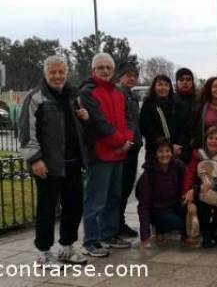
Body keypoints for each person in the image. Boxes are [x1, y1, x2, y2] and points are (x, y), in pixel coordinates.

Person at [19, 55, 89, 266]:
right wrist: (35, 160)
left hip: (73, 163)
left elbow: (78, 130)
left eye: (61, 72)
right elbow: (26, 133)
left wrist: (84, 118)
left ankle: (67, 248)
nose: (58, 76)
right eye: (53, 73)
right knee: (47, 210)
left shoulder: (73, 95)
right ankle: (43, 252)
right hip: (47, 165)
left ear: (66, 73)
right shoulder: (35, 97)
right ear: (45, 74)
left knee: (74, 206)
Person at [80, 53, 134, 257]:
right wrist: (121, 142)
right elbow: (98, 123)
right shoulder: (87, 92)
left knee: (113, 197)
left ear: (113, 71)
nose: (104, 71)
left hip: (119, 154)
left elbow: (129, 119)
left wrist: (127, 140)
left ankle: (108, 234)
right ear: (93, 70)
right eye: (100, 67)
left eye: (108, 68)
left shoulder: (119, 92)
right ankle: (91, 241)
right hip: (100, 155)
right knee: (95, 200)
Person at [183, 126, 217, 248]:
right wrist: (188, 191)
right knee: (199, 197)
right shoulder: (198, 155)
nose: (213, 141)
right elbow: (189, 175)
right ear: (205, 140)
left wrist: (213, 184)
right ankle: (203, 231)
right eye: (210, 138)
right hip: (200, 192)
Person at [136, 138, 186, 247]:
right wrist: (144, 236)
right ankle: (159, 229)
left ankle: (186, 235)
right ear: (155, 154)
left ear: (172, 153)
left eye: (167, 151)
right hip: (158, 209)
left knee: (193, 211)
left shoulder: (178, 166)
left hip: (175, 205)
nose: (164, 155)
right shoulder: (148, 174)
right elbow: (143, 205)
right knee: (177, 222)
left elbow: (189, 183)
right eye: (160, 151)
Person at [116, 61, 142, 238]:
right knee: (120, 188)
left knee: (125, 188)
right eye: (128, 75)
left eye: (135, 75)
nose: (132, 78)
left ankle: (119, 222)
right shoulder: (119, 94)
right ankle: (115, 224)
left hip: (133, 147)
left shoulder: (131, 96)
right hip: (124, 147)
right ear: (120, 77)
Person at [140, 74, 186, 162]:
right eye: (160, 84)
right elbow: (146, 128)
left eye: (166, 85)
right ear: (154, 87)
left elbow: (182, 126)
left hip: (176, 150)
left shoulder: (176, 104)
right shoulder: (148, 104)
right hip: (156, 150)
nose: (163, 87)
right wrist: (166, 145)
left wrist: (178, 144)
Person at [174, 67, 198, 162]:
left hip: (195, 146)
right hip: (176, 147)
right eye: (181, 79)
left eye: (188, 79)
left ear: (192, 82)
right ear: (177, 82)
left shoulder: (200, 100)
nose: (185, 82)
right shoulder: (170, 100)